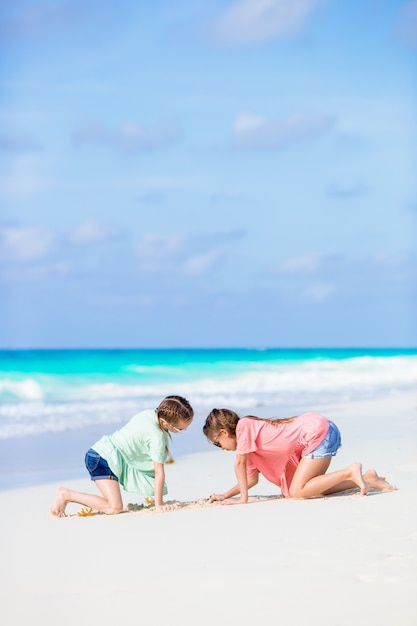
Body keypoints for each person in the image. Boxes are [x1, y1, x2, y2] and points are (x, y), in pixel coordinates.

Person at [203, 408, 396, 505]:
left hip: (317, 433)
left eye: (217, 442)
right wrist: (225, 495)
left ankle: (350, 471)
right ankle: (368, 478)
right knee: (312, 488)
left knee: (297, 492)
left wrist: (243, 499)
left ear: (224, 432)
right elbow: (250, 479)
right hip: (321, 434)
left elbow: (239, 463)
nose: (220, 448)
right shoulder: (251, 451)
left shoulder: (244, 426)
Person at [51, 395, 194, 517]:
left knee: (116, 504)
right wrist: (159, 505)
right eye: (181, 429)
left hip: (100, 453)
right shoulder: (156, 437)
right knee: (114, 507)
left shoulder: (149, 414)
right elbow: (159, 472)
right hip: (103, 459)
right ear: (165, 423)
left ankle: (67, 495)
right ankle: (66, 495)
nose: (184, 430)